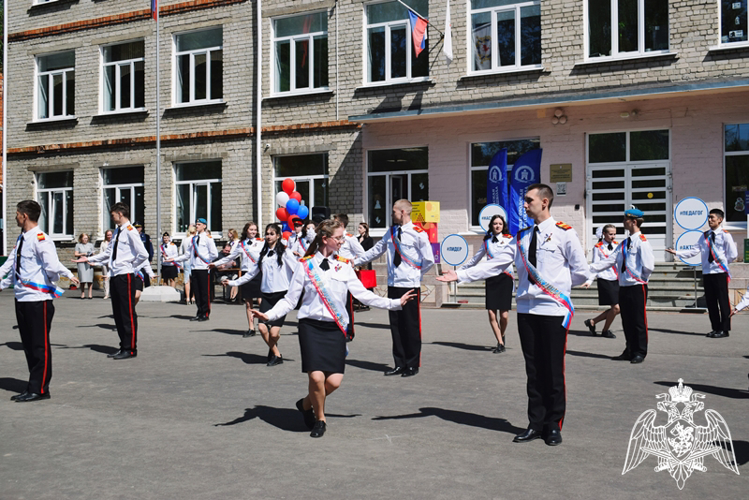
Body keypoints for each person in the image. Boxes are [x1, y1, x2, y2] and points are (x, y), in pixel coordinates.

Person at [438, 183, 592, 446]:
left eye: (529, 200)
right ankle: (535, 422)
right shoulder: (521, 237)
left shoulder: (565, 234)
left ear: (544, 202)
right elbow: (494, 264)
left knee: (553, 370)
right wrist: (461, 275)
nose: (524, 204)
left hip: (553, 310)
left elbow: (582, 273)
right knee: (533, 370)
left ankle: (553, 425)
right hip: (526, 310)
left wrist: (558, 287)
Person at [250, 220, 417, 437]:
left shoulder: (345, 265)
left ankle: (305, 403)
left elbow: (363, 295)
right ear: (325, 239)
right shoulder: (305, 265)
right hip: (310, 326)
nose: (342, 241)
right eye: (338, 238)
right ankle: (320, 418)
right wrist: (269, 315)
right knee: (317, 378)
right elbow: (290, 300)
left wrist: (395, 303)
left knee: (334, 382)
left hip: (335, 328)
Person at [0, 200, 80, 402]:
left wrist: (52, 281)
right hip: (22, 298)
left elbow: (51, 266)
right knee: (28, 344)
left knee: (38, 345)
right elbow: (13, 265)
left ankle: (40, 388)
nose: (15, 217)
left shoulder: (41, 239)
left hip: (38, 300)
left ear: (24, 216)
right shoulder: (22, 239)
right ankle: (34, 384)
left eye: (17, 214)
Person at [354, 199, 435, 377]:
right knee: (396, 325)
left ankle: (412, 364)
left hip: (410, 285)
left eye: (393, 211)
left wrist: (416, 276)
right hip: (393, 285)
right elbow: (376, 250)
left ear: (403, 212)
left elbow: (428, 260)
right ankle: (399, 363)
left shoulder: (418, 233)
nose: (391, 214)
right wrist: (354, 261)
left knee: (411, 325)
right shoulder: (391, 232)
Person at [74, 202, 148, 360]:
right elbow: (108, 254)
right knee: (118, 313)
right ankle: (123, 346)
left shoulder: (130, 231)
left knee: (127, 312)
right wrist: (89, 259)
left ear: (120, 214)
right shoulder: (117, 232)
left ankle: (130, 348)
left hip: (125, 275)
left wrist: (130, 266)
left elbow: (143, 254)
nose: (112, 217)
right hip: (115, 275)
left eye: (113, 214)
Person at [222, 223, 298, 366]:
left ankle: (273, 349)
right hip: (267, 295)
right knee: (262, 328)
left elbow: (298, 272)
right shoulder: (262, 254)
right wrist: (232, 283)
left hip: (281, 296)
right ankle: (276, 354)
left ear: (278, 236)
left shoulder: (285, 252)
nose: (268, 236)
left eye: (272, 234)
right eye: (267, 233)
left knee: (274, 333)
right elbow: (250, 274)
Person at [589, 208, 654, 364]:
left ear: (633, 222)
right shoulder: (625, 243)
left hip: (637, 286)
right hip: (623, 286)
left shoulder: (642, 242)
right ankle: (629, 349)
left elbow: (648, 266)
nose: (623, 222)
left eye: (625, 219)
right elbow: (609, 260)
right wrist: (588, 269)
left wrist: (640, 279)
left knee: (638, 321)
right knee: (627, 320)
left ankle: (640, 351)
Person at [667, 208, 738, 338]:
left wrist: (722, 263)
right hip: (707, 272)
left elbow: (733, 254)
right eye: (709, 218)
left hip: (719, 272)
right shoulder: (704, 236)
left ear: (720, 220)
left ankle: (725, 329)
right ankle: (716, 328)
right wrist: (677, 253)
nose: (710, 220)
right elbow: (694, 251)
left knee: (723, 301)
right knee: (711, 302)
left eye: (712, 218)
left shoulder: (725, 235)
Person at [459, 214, 514, 353]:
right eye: (495, 223)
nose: (497, 226)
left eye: (500, 224)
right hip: (491, 278)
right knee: (491, 313)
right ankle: (500, 343)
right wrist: (458, 272)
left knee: (504, 316)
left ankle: (502, 335)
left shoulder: (509, 240)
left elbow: (519, 257)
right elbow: (475, 260)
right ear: (491, 226)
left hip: (505, 278)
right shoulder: (487, 241)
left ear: (503, 226)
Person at [211, 222, 264, 337]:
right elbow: (230, 257)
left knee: (261, 301)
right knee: (248, 303)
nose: (253, 232)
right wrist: (215, 264)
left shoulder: (261, 242)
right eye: (251, 229)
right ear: (246, 231)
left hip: (258, 273)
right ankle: (251, 328)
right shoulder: (241, 244)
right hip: (246, 274)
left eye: (255, 230)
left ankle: (263, 324)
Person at [169, 218, 218, 321]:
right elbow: (187, 254)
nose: (197, 226)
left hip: (204, 268)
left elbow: (214, 254)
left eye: (199, 224)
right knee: (197, 291)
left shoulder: (208, 239)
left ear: (204, 226)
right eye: (196, 224)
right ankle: (199, 312)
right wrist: (175, 259)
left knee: (204, 292)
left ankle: (205, 313)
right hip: (194, 267)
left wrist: (208, 262)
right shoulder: (193, 239)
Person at [583, 225, 620, 339]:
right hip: (605, 279)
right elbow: (596, 265)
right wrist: (589, 280)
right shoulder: (598, 247)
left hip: (617, 278)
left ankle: (593, 321)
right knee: (616, 308)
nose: (613, 237)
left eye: (614, 234)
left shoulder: (617, 245)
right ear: (604, 233)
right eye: (610, 234)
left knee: (618, 308)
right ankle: (605, 330)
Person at [74, 233, 95, 299]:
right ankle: (82, 293)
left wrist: (92, 255)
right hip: (81, 263)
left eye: (87, 238)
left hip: (89, 262)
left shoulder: (91, 245)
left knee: (90, 279)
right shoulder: (78, 245)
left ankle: (90, 293)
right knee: (82, 278)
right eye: (84, 238)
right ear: (81, 239)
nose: (86, 240)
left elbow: (93, 254)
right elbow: (76, 254)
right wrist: (83, 253)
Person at [180, 225, 197, 304]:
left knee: (187, 280)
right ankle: (193, 297)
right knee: (194, 279)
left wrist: (181, 263)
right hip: (194, 260)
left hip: (186, 260)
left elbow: (180, 252)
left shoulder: (184, 239)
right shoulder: (195, 239)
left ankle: (187, 298)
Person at [99, 230, 113, 299]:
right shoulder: (103, 243)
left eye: (110, 235)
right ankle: (106, 294)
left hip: (113, 263)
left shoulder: (114, 242)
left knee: (112, 278)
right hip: (104, 263)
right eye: (108, 235)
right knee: (105, 278)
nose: (109, 236)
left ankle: (112, 293)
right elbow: (101, 253)